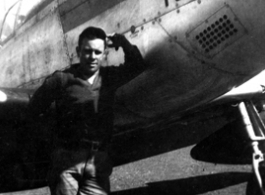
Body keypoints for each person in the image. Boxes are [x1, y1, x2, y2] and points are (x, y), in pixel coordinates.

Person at [27, 26, 145, 195]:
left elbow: (137, 66)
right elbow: (32, 111)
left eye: (97, 52)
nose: (92, 57)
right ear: (78, 51)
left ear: (104, 53)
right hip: (66, 163)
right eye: (87, 51)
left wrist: (124, 42)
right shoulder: (61, 79)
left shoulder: (109, 78)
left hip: (97, 162)